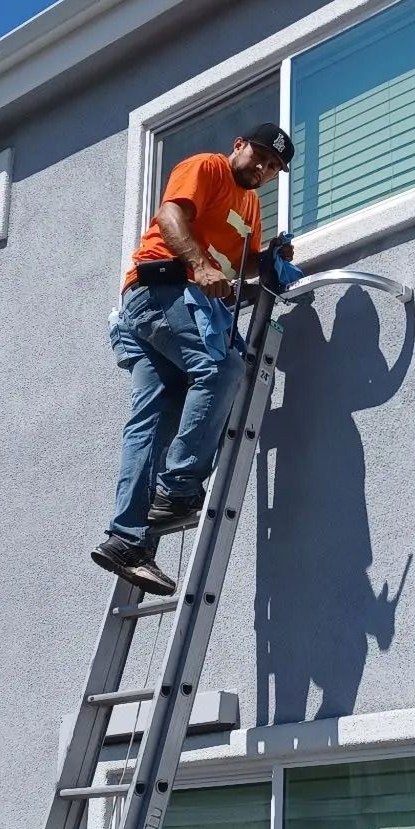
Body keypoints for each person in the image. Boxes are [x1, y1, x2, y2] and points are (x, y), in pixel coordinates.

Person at [91, 123, 294, 593]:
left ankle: (126, 540)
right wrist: (200, 265)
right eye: (259, 156)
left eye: (273, 168)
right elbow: (171, 216)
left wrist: (268, 261)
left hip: (168, 308)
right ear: (238, 144)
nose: (263, 169)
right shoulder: (207, 167)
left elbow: (241, 263)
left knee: (154, 420)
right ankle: (179, 487)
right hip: (159, 291)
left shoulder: (250, 207)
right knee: (221, 367)